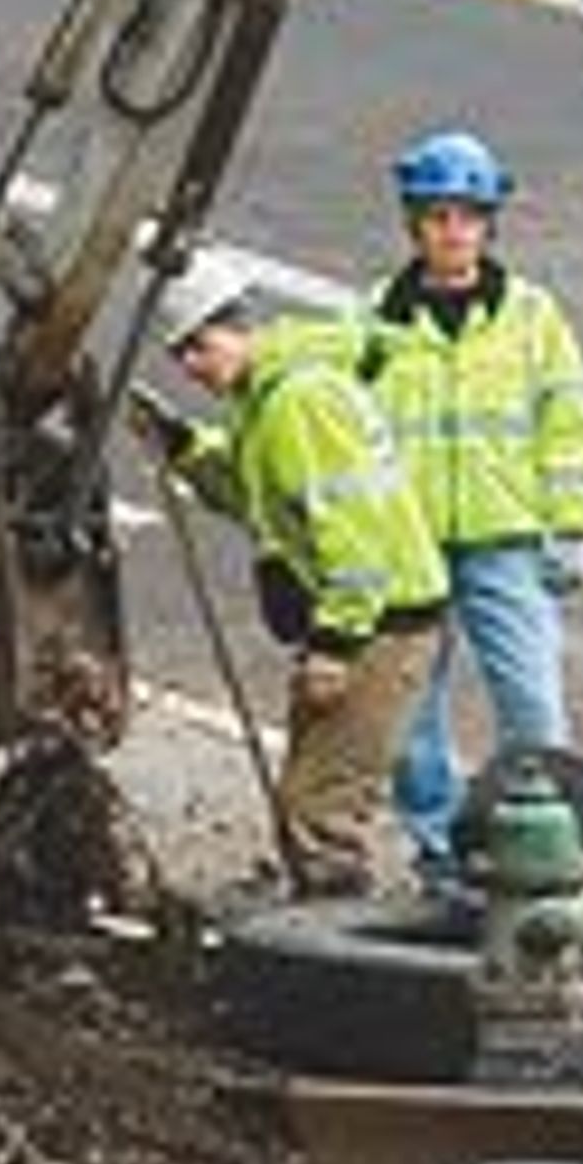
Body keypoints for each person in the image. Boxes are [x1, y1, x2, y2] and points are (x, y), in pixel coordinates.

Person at [152, 249, 449, 895]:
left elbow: (354, 536)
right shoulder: (270, 397)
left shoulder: (298, 404)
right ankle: (316, 911)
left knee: (324, 807)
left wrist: (337, 646)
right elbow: (257, 495)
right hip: (365, 618)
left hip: (379, 627)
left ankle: (333, 945)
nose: (192, 370)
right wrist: (186, 449)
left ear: (233, 329)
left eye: (197, 350)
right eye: (181, 358)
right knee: (305, 794)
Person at [361, 128, 583, 872]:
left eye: (467, 216)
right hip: (408, 549)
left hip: (506, 544)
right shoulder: (376, 317)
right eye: (438, 216)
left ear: (487, 223)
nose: (453, 231)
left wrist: (570, 527)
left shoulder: (530, 316)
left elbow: (570, 421)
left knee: (534, 709)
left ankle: (531, 844)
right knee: (411, 721)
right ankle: (440, 850)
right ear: (415, 223)